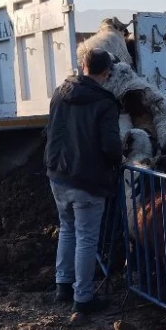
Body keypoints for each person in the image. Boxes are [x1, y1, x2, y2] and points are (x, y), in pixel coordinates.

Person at [45, 48, 122, 313]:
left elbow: (51, 130)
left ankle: (62, 285)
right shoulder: (105, 102)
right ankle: (84, 298)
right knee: (87, 238)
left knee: (67, 229)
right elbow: (111, 145)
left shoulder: (60, 92)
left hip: (58, 174)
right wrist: (117, 163)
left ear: (83, 65)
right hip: (87, 179)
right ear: (106, 72)